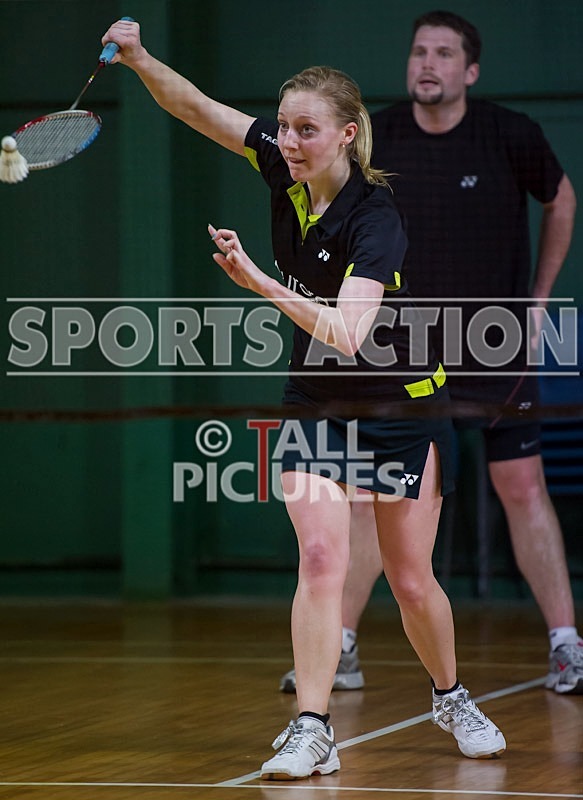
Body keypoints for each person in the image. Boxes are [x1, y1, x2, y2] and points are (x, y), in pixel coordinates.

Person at [103, 18, 507, 779]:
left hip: (401, 410)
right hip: (318, 404)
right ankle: (311, 727)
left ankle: (449, 695)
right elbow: (195, 108)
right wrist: (140, 58)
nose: (286, 142)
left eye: (304, 130)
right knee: (320, 558)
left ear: (346, 136)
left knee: (411, 579)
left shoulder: (376, 221)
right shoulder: (281, 169)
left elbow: (348, 331)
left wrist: (258, 281)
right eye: (282, 128)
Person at [278, 9, 581, 698]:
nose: (427, 64)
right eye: (419, 51)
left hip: (490, 344)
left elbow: (560, 201)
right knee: (361, 502)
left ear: (468, 72)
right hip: (396, 356)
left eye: (444, 54)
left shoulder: (509, 135)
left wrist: (536, 299)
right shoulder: (376, 146)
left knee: (522, 486)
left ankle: (566, 642)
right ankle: (340, 645)